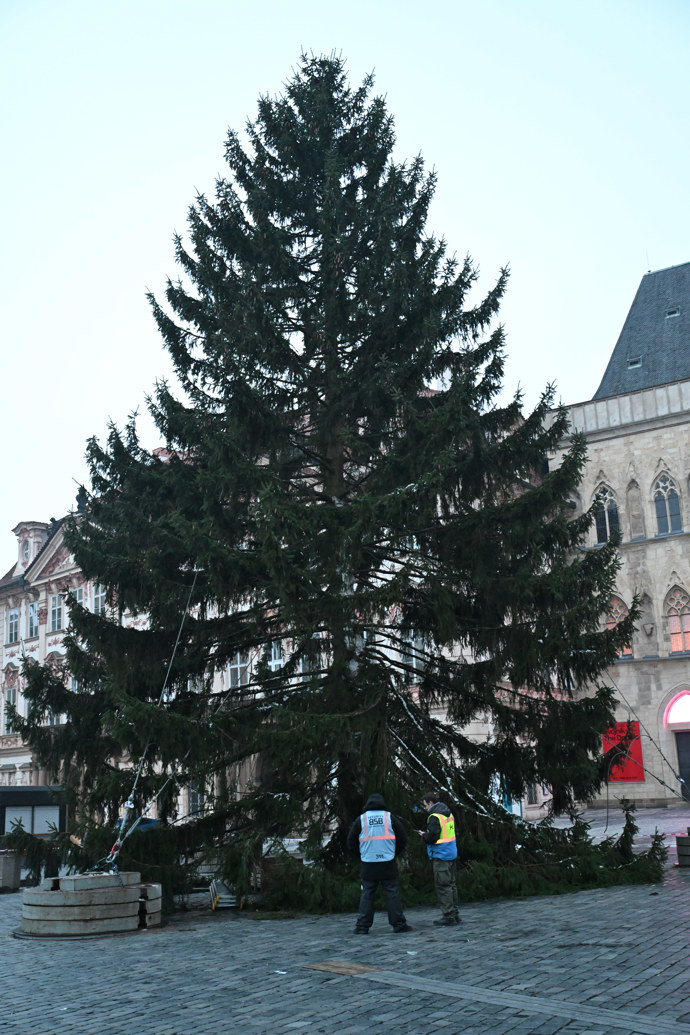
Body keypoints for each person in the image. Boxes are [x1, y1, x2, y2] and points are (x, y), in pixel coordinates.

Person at [347, 792, 412, 934]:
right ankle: (399, 925)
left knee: (367, 894)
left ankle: (362, 927)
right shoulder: (389, 818)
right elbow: (402, 838)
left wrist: (362, 855)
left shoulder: (361, 819)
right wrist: (394, 853)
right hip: (387, 861)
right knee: (392, 893)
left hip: (368, 862)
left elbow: (351, 842)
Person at [419, 789, 460, 926]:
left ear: (431, 803)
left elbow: (433, 837)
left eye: (425, 805)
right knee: (452, 885)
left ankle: (448, 915)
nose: (425, 808)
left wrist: (423, 835)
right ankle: (455, 914)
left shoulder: (434, 817)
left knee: (443, 886)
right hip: (451, 853)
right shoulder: (448, 814)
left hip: (441, 855)